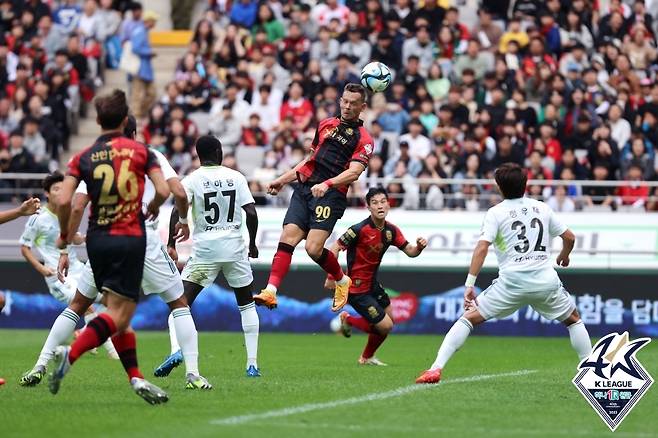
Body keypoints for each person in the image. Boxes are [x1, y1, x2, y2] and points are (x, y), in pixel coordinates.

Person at [27, 115, 210, 391]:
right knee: (177, 303)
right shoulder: (149, 155)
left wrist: (64, 247)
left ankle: (40, 364)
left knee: (78, 305)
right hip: (142, 239)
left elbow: (75, 206)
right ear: (134, 133)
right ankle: (193, 374)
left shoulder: (94, 159)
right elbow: (179, 193)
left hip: (102, 239)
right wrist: (182, 220)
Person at [47, 90, 171, 404]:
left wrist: (64, 234)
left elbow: (65, 200)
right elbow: (163, 190)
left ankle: (136, 379)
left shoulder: (83, 157)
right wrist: (154, 205)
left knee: (118, 315)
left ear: (99, 120)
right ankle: (70, 356)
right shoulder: (142, 152)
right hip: (129, 237)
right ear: (126, 119)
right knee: (119, 314)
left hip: (97, 239)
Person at [416, 163, 591, 384]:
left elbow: (482, 247)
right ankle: (589, 369)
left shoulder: (496, 213)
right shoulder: (542, 208)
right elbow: (570, 238)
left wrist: (470, 284)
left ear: (499, 187)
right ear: (526, 184)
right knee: (574, 320)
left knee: (468, 319)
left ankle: (435, 368)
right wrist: (564, 256)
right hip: (544, 281)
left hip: (512, 283)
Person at [254, 83, 374, 312]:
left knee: (313, 248)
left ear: (363, 107)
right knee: (288, 236)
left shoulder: (364, 139)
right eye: (345, 101)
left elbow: (354, 172)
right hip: (304, 189)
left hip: (330, 196)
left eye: (353, 103)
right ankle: (270, 290)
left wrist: (327, 184)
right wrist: (283, 179)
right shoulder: (325, 124)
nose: (347, 106)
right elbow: (309, 161)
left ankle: (341, 280)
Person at [160, 135, 261, 377]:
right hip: (235, 249)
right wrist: (254, 244)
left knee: (180, 303)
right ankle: (252, 364)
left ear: (198, 154)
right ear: (218, 152)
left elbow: (178, 208)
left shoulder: (192, 179)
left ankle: (176, 349)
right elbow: (251, 212)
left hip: (206, 250)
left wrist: (171, 243)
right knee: (246, 303)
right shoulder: (236, 177)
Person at [18, 173, 120, 387]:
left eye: (63, 188)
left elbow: (74, 238)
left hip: (79, 269)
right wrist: (40, 267)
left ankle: (82, 333)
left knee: (111, 300)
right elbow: (25, 247)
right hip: (58, 275)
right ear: (47, 193)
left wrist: (84, 238)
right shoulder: (38, 218)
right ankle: (112, 350)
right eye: (55, 189)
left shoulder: (67, 214)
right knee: (87, 305)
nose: (60, 192)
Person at [327, 188, 427, 365]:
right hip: (356, 288)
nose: (380, 205)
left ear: (388, 204)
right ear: (368, 207)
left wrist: (419, 247)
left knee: (389, 320)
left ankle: (366, 357)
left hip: (372, 284)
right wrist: (333, 276)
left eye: (383, 201)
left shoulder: (391, 231)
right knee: (385, 326)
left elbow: (410, 251)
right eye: (375, 203)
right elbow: (334, 248)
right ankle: (348, 320)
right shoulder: (358, 229)